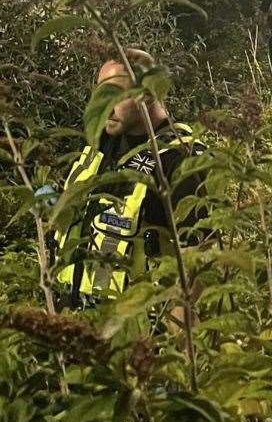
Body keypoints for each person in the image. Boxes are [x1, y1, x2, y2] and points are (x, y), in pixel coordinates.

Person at [55, 49, 206, 309]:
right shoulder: (104, 144)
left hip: (137, 333)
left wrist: (181, 344)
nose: (103, 106)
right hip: (77, 322)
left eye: (114, 95)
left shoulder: (180, 160)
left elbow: (195, 266)